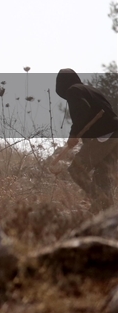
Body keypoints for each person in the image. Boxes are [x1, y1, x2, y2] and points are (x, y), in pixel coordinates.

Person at [50, 68, 118, 210]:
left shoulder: (73, 90)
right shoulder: (92, 90)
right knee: (102, 174)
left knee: (76, 169)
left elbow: (82, 111)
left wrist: (73, 134)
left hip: (105, 137)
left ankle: (102, 201)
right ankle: (103, 211)